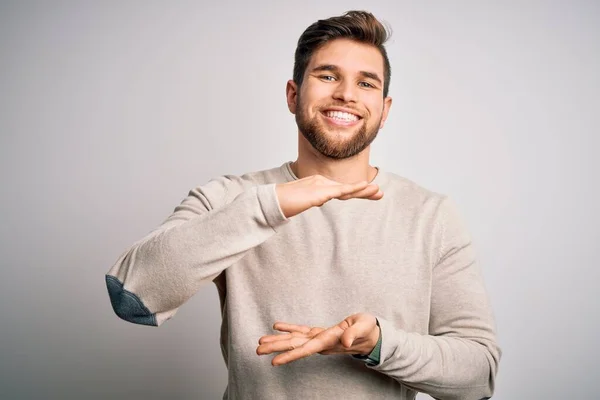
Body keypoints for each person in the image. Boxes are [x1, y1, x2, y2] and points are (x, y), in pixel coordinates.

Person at [105, 10, 501, 400]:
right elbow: (133, 296)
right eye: (328, 76)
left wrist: (377, 344)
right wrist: (270, 205)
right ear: (294, 95)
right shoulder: (230, 198)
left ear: (385, 110)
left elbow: (478, 375)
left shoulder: (431, 216)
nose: (345, 93)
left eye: (366, 83)